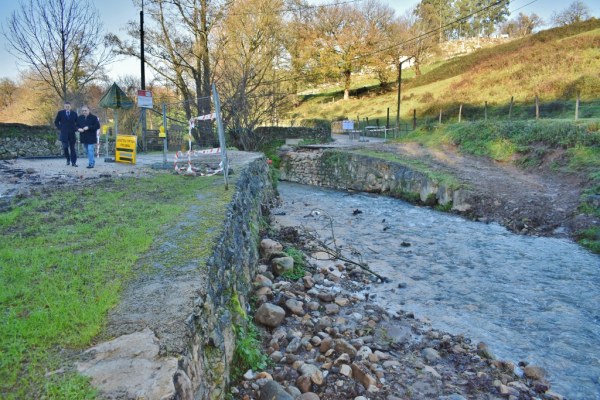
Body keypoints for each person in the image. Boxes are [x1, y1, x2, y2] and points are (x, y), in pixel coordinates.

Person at [54, 101, 78, 166]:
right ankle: (68, 159)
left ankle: (74, 162)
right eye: (66, 106)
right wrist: (60, 127)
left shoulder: (74, 114)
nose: (67, 107)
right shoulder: (60, 113)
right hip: (64, 134)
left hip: (72, 134)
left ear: (70, 107)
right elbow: (56, 122)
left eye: (68, 106)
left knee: (72, 148)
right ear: (64, 106)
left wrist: (76, 129)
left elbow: (77, 123)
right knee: (65, 148)